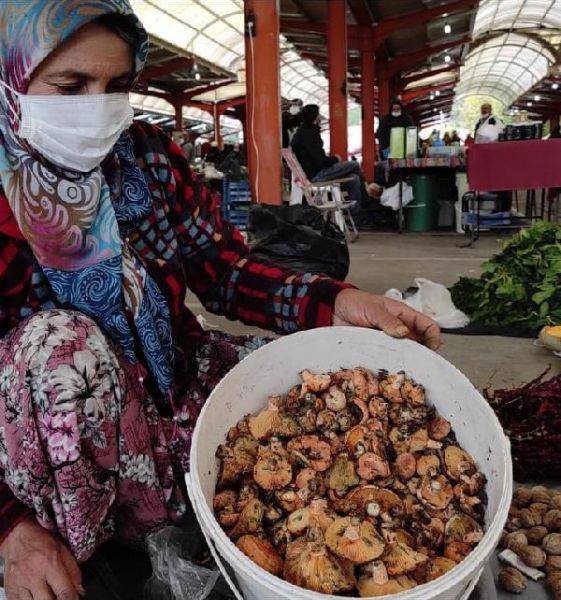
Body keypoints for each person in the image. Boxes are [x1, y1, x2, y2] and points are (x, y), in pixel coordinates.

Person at [0, 3, 440, 599]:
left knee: (303, 386)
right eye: (71, 85)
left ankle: (171, 498)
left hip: (166, 381)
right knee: (61, 347)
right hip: (57, 432)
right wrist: (11, 530)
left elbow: (223, 268)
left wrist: (336, 303)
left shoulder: (148, 156)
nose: (98, 106)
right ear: (12, 73)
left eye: (119, 85)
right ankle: (93, 542)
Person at [291, 104, 378, 206]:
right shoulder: (309, 134)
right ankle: (367, 202)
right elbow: (320, 162)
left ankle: (358, 215)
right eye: (318, 114)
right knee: (354, 165)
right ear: (314, 117)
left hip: (312, 174)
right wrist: (335, 159)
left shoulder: (302, 132)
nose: (319, 117)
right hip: (317, 175)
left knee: (355, 179)